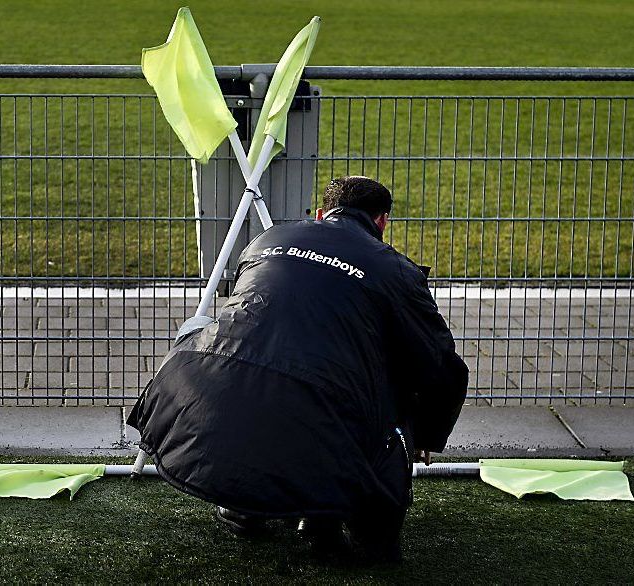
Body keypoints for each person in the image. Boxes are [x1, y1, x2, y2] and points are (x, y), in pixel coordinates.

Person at [127, 176, 468, 563]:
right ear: (382, 222)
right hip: (323, 417)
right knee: (398, 384)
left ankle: (242, 505)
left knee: (203, 331)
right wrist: (427, 434)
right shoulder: (397, 272)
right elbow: (441, 365)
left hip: (197, 404)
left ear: (321, 213)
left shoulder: (266, 241)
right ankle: (354, 519)